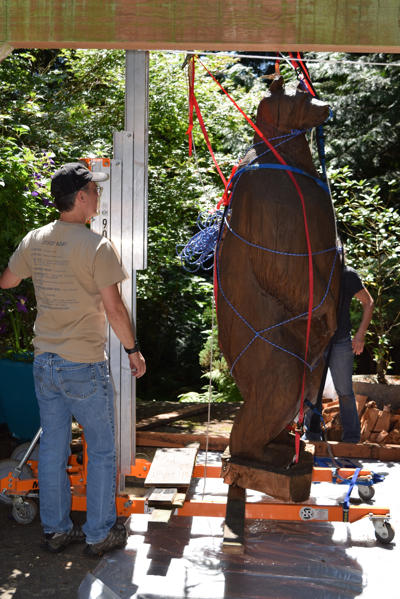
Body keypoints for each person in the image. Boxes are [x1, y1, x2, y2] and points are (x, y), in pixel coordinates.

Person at [0, 162, 146, 556]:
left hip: (45, 361)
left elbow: (7, 281)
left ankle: (57, 531)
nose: (98, 196)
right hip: (82, 363)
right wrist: (133, 351)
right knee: (100, 450)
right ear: (80, 198)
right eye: (94, 191)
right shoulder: (96, 246)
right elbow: (114, 309)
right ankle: (99, 535)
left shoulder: (36, 239)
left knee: (53, 448)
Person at [306, 262, 374, 443]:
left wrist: (360, 335)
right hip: (317, 341)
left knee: (344, 392)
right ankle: (312, 437)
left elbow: (368, 302)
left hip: (341, 341)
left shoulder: (347, 274)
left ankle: (351, 439)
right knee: (313, 392)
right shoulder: (313, 271)